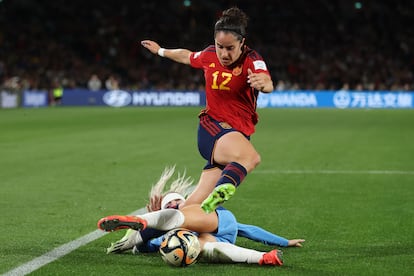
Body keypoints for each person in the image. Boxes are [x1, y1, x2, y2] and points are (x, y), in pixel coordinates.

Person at [141, 7, 274, 213]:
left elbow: (267, 82)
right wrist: (160, 51)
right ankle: (222, 190)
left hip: (237, 135)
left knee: (192, 209)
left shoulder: (252, 59)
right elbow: (186, 56)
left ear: (242, 43)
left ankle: (148, 228)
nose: (224, 53)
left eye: (230, 48)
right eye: (220, 46)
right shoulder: (209, 55)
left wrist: (263, 83)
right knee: (250, 158)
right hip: (213, 129)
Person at [97, 167, 305, 266]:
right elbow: (144, 249)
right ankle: (262, 258)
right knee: (203, 249)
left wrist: (284, 241)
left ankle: (144, 223)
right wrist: (139, 245)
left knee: (183, 216)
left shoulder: (189, 207)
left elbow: (247, 229)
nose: (174, 204)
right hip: (215, 239)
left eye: (176, 201)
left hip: (216, 219)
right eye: (168, 204)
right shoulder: (165, 240)